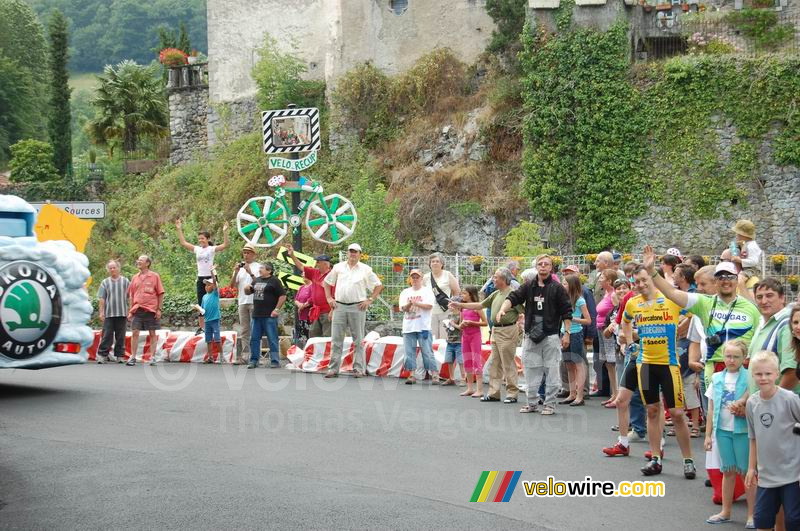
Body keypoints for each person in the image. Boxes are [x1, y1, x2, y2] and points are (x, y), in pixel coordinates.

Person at [645, 247, 761, 391]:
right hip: (713, 370)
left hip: (742, 370)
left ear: (736, 280)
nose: (726, 281)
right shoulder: (704, 302)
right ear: (716, 281)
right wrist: (651, 271)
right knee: (713, 413)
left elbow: (759, 342)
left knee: (740, 412)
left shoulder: (751, 308)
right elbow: (671, 293)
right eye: (721, 277)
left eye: (730, 277)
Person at [622, 263, 695, 478]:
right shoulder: (633, 303)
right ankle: (656, 458)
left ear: (653, 278)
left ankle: (688, 460)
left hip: (669, 364)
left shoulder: (671, 300)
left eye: (645, 280)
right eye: (637, 282)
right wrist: (628, 342)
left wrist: (682, 329)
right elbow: (625, 322)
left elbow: (693, 314)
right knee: (652, 411)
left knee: (677, 413)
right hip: (644, 365)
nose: (642, 285)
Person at [500, 254, 572, 416]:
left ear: (551, 268)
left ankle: (550, 404)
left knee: (551, 370)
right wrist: (503, 308)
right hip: (531, 335)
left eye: (546, 264)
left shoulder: (557, 288)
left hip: (551, 335)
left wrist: (566, 333)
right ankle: (531, 403)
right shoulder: (528, 286)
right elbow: (513, 297)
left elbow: (567, 312)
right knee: (531, 371)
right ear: (536, 267)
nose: (543, 266)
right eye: (540, 264)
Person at [745, 350, 800, 531]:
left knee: (793, 520)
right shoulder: (752, 403)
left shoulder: (790, 399)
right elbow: (753, 438)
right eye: (759, 374)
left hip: (793, 474)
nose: (763, 378)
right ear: (752, 375)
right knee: (762, 520)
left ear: (777, 374)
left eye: (768, 373)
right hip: (766, 475)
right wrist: (752, 468)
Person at [451, 268, 523, 403]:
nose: (493, 280)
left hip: (507, 329)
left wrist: (519, 325)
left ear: (503, 279)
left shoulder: (513, 294)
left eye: (495, 277)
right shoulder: (496, 294)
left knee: (508, 362)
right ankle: (493, 392)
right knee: (495, 363)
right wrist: (460, 304)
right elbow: (480, 305)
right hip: (496, 330)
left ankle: (512, 393)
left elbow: (522, 311)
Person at [704, 340, 755, 527]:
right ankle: (725, 511)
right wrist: (708, 435)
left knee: (746, 472)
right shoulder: (716, 378)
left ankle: (752, 514)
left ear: (744, 358)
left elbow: (753, 396)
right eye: (728, 356)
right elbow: (710, 409)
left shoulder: (750, 377)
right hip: (722, 431)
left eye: (736, 356)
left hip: (742, 431)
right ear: (723, 356)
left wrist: (742, 401)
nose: (731, 360)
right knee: (728, 471)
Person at [323, 243, 383, 378]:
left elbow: (378, 285)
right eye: (351, 251)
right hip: (339, 306)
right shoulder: (338, 267)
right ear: (347, 253)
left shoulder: (366, 269)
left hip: (357, 306)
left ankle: (358, 368)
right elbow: (326, 282)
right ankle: (333, 369)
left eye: (355, 252)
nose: (353, 254)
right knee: (336, 339)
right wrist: (328, 298)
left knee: (358, 339)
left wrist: (370, 300)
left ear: (360, 254)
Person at [175, 218, 230, 334]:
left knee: (212, 302)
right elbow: (183, 243)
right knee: (201, 302)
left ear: (208, 239)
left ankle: (214, 326)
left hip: (211, 278)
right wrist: (179, 229)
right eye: (199, 238)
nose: (200, 240)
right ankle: (202, 327)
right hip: (201, 278)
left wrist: (225, 232)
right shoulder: (197, 249)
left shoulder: (211, 249)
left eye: (203, 238)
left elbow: (225, 245)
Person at [745, 278, 798, 394]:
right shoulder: (762, 323)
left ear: (782, 298)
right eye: (759, 297)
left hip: (779, 407)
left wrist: (775, 401)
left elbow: (792, 371)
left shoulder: (786, 324)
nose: (764, 301)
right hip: (761, 403)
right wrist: (745, 399)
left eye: (769, 296)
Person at [399, 268, 439, 385]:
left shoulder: (427, 291)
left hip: (423, 326)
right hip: (409, 326)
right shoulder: (405, 292)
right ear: (410, 279)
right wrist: (410, 303)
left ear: (421, 279)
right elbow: (403, 308)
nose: (415, 279)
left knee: (427, 351)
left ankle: (435, 374)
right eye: (413, 277)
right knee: (409, 352)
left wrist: (416, 303)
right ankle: (411, 374)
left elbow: (429, 306)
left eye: (417, 277)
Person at [286, 244, 333, 339]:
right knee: (314, 337)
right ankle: (316, 354)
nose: (316, 264)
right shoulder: (315, 272)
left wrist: (333, 310)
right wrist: (292, 255)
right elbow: (301, 267)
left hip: (328, 311)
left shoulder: (333, 275)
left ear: (325, 264)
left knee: (327, 337)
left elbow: (337, 294)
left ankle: (327, 354)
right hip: (316, 311)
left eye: (318, 262)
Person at [245, 263, 286, 369]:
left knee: (272, 338)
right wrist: (247, 288)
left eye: (262, 268)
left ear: (269, 270)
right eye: (260, 268)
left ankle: (275, 361)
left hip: (269, 315)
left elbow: (282, 296)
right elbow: (248, 292)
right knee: (254, 338)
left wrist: (276, 309)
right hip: (256, 315)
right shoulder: (256, 280)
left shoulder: (275, 281)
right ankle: (254, 360)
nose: (260, 270)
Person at [126, 255, 165, 366]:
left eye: (141, 260)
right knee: (135, 332)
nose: (138, 262)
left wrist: (159, 309)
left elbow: (160, 293)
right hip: (137, 308)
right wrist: (130, 311)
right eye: (138, 260)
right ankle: (133, 357)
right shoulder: (135, 278)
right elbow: (131, 295)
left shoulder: (154, 276)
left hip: (151, 309)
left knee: (152, 333)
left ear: (147, 263)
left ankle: (152, 357)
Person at [559, 275, 591, 407]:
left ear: (572, 285)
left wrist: (573, 318)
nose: (563, 285)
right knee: (569, 365)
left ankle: (580, 395)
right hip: (564, 332)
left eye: (565, 284)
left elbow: (588, 320)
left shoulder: (579, 300)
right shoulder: (564, 299)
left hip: (576, 333)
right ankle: (572, 393)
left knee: (578, 364)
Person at [231, 243, 261, 364]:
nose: (246, 255)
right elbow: (232, 285)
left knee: (255, 329)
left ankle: (255, 356)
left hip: (254, 301)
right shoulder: (240, 268)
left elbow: (259, 284)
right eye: (244, 252)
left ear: (254, 254)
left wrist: (250, 272)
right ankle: (244, 356)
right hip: (242, 301)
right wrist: (235, 272)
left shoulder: (258, 267)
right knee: (244, 330)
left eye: (249, 252)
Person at [96, 260, 129, 364]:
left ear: (118, 268)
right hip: (109, 313)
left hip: (122, 312)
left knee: (121, 336)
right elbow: (102, 298)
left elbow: (131, 296)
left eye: (114, 267)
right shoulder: (105, 282)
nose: (112, 269)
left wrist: (131, 310)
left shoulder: (125, 281)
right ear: (108, 270)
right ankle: (102, 355)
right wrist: (101, 312)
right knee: (106, 335)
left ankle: (120, 356)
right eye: (110, 268)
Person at [456, 285, 487, 397]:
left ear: (471, 295)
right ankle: (470, 388)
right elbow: (460, 325)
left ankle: (479, 389)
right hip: (465, 336)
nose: (462, 295)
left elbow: (485, 322)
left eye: (464, 293)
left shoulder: (477, 307)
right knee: (467, 361)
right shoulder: (462, 308)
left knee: (476, 361)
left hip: (475, 336)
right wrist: (460, 324)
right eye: (461, 293)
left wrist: (473, 323)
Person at [423, 252, 460, 340]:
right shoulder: (425, 277)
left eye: (437, 261)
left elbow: (457, 291)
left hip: (445, 311)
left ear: (442, 264)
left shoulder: (448, 275)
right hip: (430, 312)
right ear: (430, 264)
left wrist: (452, 304)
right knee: (432, 338)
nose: (435, 263)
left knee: (444, 338)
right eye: (433, 261)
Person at [595, 269, 619, 404]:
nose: (599, 279)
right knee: (607, 362)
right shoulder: (606, 293)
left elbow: (617, 312)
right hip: (601, 329)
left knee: (612, 361)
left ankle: (617, 394)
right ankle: (614, 394)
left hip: (608, 331)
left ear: (609, 281)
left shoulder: (613, 295)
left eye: (602, 277)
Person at [730, 219, 763, 291]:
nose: (736, 236)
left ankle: (743, 292)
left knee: (740, 279)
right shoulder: (746, 244)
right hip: (746, 268)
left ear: (743, 235)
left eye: (738, 234)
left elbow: (754, 261)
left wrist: (739, 260)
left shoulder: (752, 246)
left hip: (752, 269)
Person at [198, 269, 222, 364]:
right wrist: (198, 309)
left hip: (215, 319)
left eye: (209, 284)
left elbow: (215, 282)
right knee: (208, 339)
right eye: (206, 285)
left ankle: (221, 356)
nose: (206, 287)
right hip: (207, 320)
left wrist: (212, 273)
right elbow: (203, 310)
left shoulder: (215, 294)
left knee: (217, 339)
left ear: (213, 286)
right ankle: (210, 357)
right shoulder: (204, 297)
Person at [440, 297, 465, 387]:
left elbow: (462, 328)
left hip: (459, 342)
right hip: (450, 341)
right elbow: (450, 329)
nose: (448, 305)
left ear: (457, 305)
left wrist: (453, 324)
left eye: (450, 303)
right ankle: (451, 378)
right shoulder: (450, 315)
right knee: (449, 360)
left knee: (460, 361)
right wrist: (447, 326)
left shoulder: (461, 314)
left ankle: (463, 378)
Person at [294, 278, 313, 348]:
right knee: (303, 337)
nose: (302, 275)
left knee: (310, 336)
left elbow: (312, 299)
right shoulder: (301, 287)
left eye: (304, 274)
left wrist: (303, 306)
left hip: (310, 316)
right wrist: (299, 304)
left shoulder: (312, 286)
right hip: (301, 316)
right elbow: (296, 299)